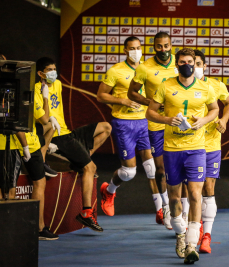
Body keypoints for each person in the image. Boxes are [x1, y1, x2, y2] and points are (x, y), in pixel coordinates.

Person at [146, 48, 219, 264]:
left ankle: (191, 244)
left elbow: (215, 109)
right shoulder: (166, 85)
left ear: (196, 64)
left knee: (196, 194)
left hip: (197, 148)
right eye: (183, 61)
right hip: (172, 148)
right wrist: (167, 120)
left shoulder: (205, 87)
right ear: (176, 64)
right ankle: (180, 232)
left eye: (191, 61)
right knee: (175, 196)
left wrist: (204, 121)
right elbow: (150, 112)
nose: (187, 65)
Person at [35, 57, 112, 231]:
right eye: (49, 70)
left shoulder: (59, 84)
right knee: (90, 168)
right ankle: (86, 213)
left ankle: (81, 160)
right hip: (57, 136)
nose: (53, 72)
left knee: (106, 128)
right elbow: (43, 119)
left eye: (55, 68)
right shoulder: (35, 91)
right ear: (40, 73)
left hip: (68, 132)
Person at [97, 36, 163, 222]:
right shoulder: (116, 71)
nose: (136, 51)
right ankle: (109, 191)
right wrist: (122, 100)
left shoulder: (147, 69)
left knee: (152, 167)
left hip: (144, 122)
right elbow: (101, 95)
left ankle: (160, 211)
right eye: (131, 48)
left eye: (138, 47)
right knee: (129, 172)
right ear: (125, 50)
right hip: (124, 124)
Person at [128, 32, 178, 229]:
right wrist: (151, 103)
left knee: (179, 168)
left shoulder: (179, 63)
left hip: (177, 123)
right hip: (157, 124)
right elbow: (131, 92)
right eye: (159, 46)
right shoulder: (144, 67)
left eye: (166, 46)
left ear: (171, 45)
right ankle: (165, 206)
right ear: (154, 47)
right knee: (161, 169)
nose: (163, 50)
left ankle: (181, 209)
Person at [192, 49, 229, 253]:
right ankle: (194, 227)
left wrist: (224, 120)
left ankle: (206, 236)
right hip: (189, 145)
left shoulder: (217, 85)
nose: (195, 68)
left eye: (199, 64)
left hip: (211, 145)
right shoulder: (179, 86)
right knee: (192, 191)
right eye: (192, 64)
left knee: (208, 188)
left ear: (205, 66)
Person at [17, 73, 60, 240]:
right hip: (24, 143)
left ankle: (38, 228)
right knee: (33, 183)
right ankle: (38, 228)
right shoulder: (27, 93)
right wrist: (45, 98)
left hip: (30, 143)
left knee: (30, 184)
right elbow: (44, 119)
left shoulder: (29, 92)